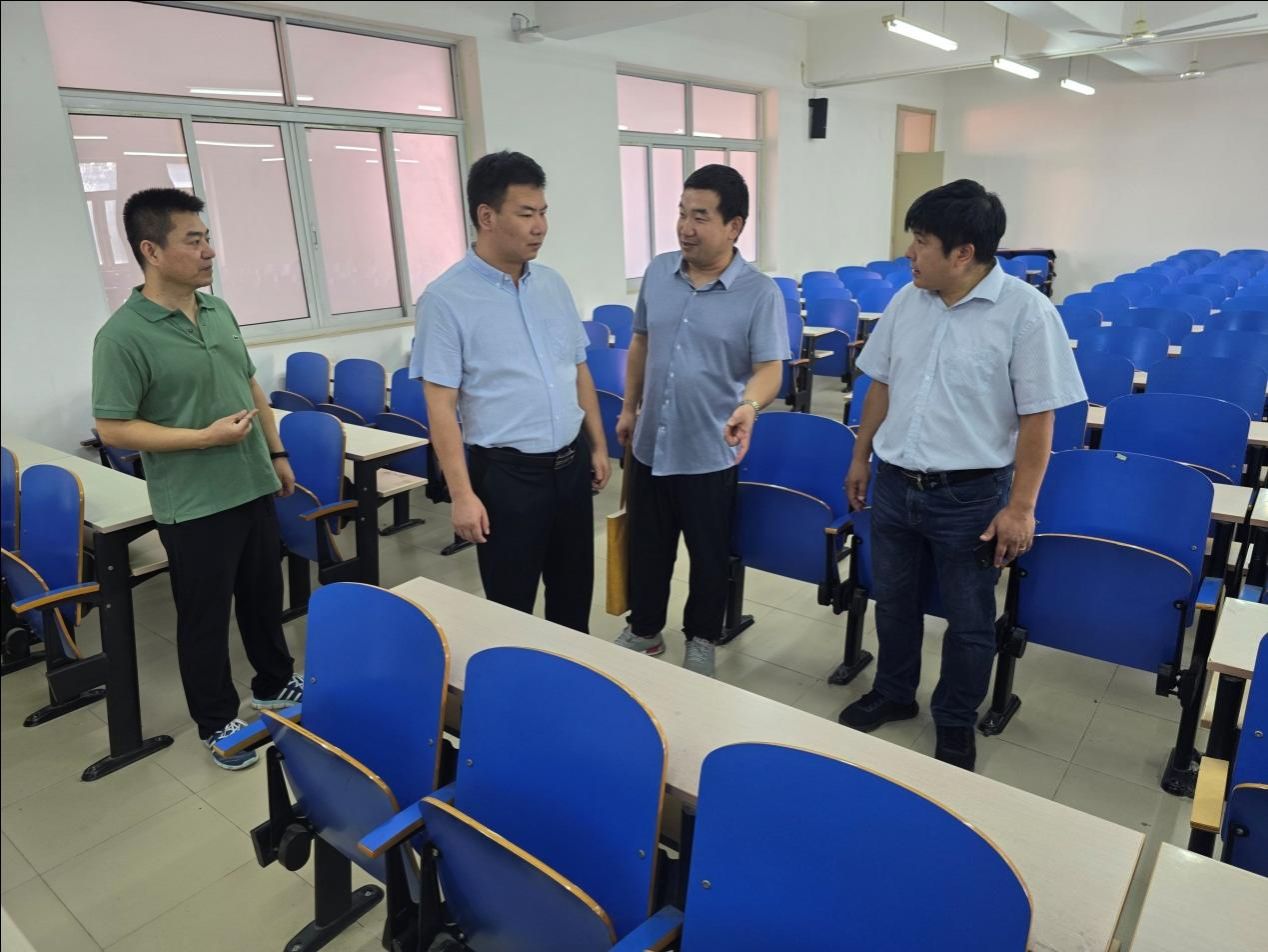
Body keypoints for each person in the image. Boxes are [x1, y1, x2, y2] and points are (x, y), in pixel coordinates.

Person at [837, 179, 1086, 770]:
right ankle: (895, 693)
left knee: (969, 621)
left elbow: (1038, 419)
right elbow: (881, 384)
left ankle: (954, 719)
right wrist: (860, 455)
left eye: (921, 242)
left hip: (970, 497)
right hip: (896, 484)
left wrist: (1020, 508)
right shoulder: (908, 301)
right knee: (893, 602)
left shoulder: (1026, 314)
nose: (909, 253)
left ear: (963, 253)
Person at [92, 188, 302, 771]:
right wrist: (202, 439)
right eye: (194, 240)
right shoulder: (123, 336)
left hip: (252, 482)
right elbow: (112, 426)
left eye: (207, 238)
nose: (209, 250)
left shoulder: (217, 311)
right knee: (205, 618)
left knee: (263, 597)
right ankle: (216, 721)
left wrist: (277, 452)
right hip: (194, 502)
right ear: (151, 250)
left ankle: (274, 682)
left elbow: (249, 384)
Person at [413, 151, 609, 632]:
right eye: (526, 214)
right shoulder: (446, 299)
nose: (540, 227)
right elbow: (441, 407)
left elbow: (578, 370)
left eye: (543, 212)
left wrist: (598, 446)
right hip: (507, 478)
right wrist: (462, 495)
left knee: (573, 599)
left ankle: (569, 673)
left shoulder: (553, 285)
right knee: (511, 609)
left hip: (570, 467)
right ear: (487, 216)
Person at [612, 165, 786, 677]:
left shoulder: (759, 292)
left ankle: (702, 637)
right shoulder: (659, 273)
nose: (686, 228)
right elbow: (641, 341)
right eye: (682, 214)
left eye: (701, 217)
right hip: (651, 442)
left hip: (709, 448)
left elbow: (770, 368)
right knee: (648, 547)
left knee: (708, 555)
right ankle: (645, 629)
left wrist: (749, 406)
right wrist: (629, 407)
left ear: (734, 226)